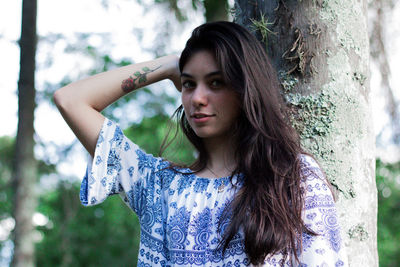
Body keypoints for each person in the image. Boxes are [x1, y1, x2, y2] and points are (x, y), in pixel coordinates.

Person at [54, 21, 347, 266]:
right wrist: (169, 65)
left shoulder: (292, 178)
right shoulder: (159, 187)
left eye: (216, 82)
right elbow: (71, 100)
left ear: (246, 89)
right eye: (189, 84)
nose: (197, 98)